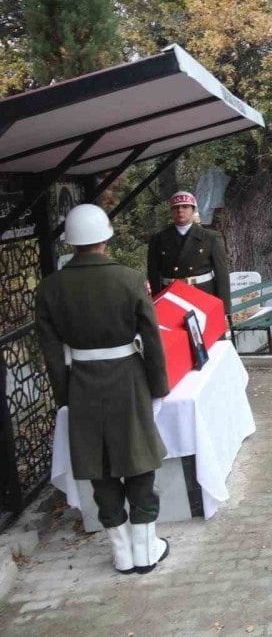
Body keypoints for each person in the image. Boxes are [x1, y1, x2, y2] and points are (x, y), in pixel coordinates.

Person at [36, 204, 171, 575]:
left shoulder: (50, 287)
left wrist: (65, 395)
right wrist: (158, 385)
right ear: (106, 237)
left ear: (70, 242)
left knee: (100, 465)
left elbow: (50, 351)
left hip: (81, 379)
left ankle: (121, 552)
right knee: (138, 458)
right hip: (127, 375)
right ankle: (147, 548)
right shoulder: (128, 279)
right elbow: (151, 338)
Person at [147, 191, 231, 312]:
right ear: (171, 211)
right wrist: (156, 304)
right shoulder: (158, 239)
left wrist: (224, 310)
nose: (180, 210)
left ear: (193, 210)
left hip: (203, 294)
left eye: (185, 206)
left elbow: (222, 274)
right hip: (172, 296)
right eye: (176, 207)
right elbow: (153, 275)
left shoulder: (210, 237)